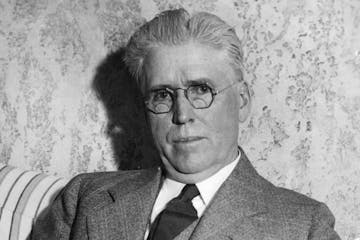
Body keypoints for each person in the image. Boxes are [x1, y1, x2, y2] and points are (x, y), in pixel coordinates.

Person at [32, 8, 341, 240]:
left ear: (243, 100)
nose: (182, 114)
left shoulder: (305, 226)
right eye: (162, 95)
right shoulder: (85, 198)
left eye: (201, 90)